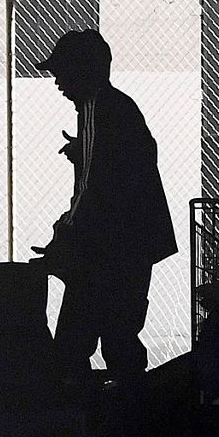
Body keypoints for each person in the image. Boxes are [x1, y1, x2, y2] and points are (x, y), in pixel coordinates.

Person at [30, 29, 176, 401]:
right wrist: (85, 151)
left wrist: (63, 234)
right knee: (119, 337)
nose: (58, 83)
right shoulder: (116, 108)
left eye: (62, 73)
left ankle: (82, 425)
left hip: (112, 250)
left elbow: (93, 190)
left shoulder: (98, 109)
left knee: (74, 342)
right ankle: (130, 425)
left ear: (83, 73)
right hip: (129, 246)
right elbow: (121, 168)